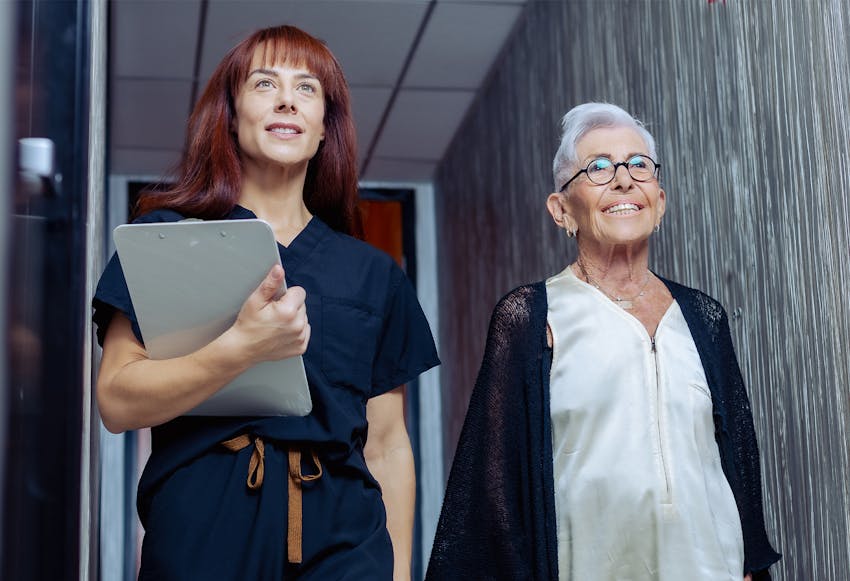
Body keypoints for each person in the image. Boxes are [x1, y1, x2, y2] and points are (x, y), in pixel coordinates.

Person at [94, 25, 439, 581]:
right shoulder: (165, 239)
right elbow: (116, 400)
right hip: (203, 525)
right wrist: (241, 348)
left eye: (307, 88)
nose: (286, 99)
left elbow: (388, 444)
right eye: (264, 83)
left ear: (325, 127)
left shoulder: (375, 274)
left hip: (346, 540)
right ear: (231, 115)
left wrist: (399, 574)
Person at [425, 103, 780, 581]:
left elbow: (738, 461)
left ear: (660, 200)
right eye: (597, 168)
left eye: (638, 165)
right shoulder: (532, 317)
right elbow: (493, 494)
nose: (623, 180)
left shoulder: (703, 317)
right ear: (561, 209)